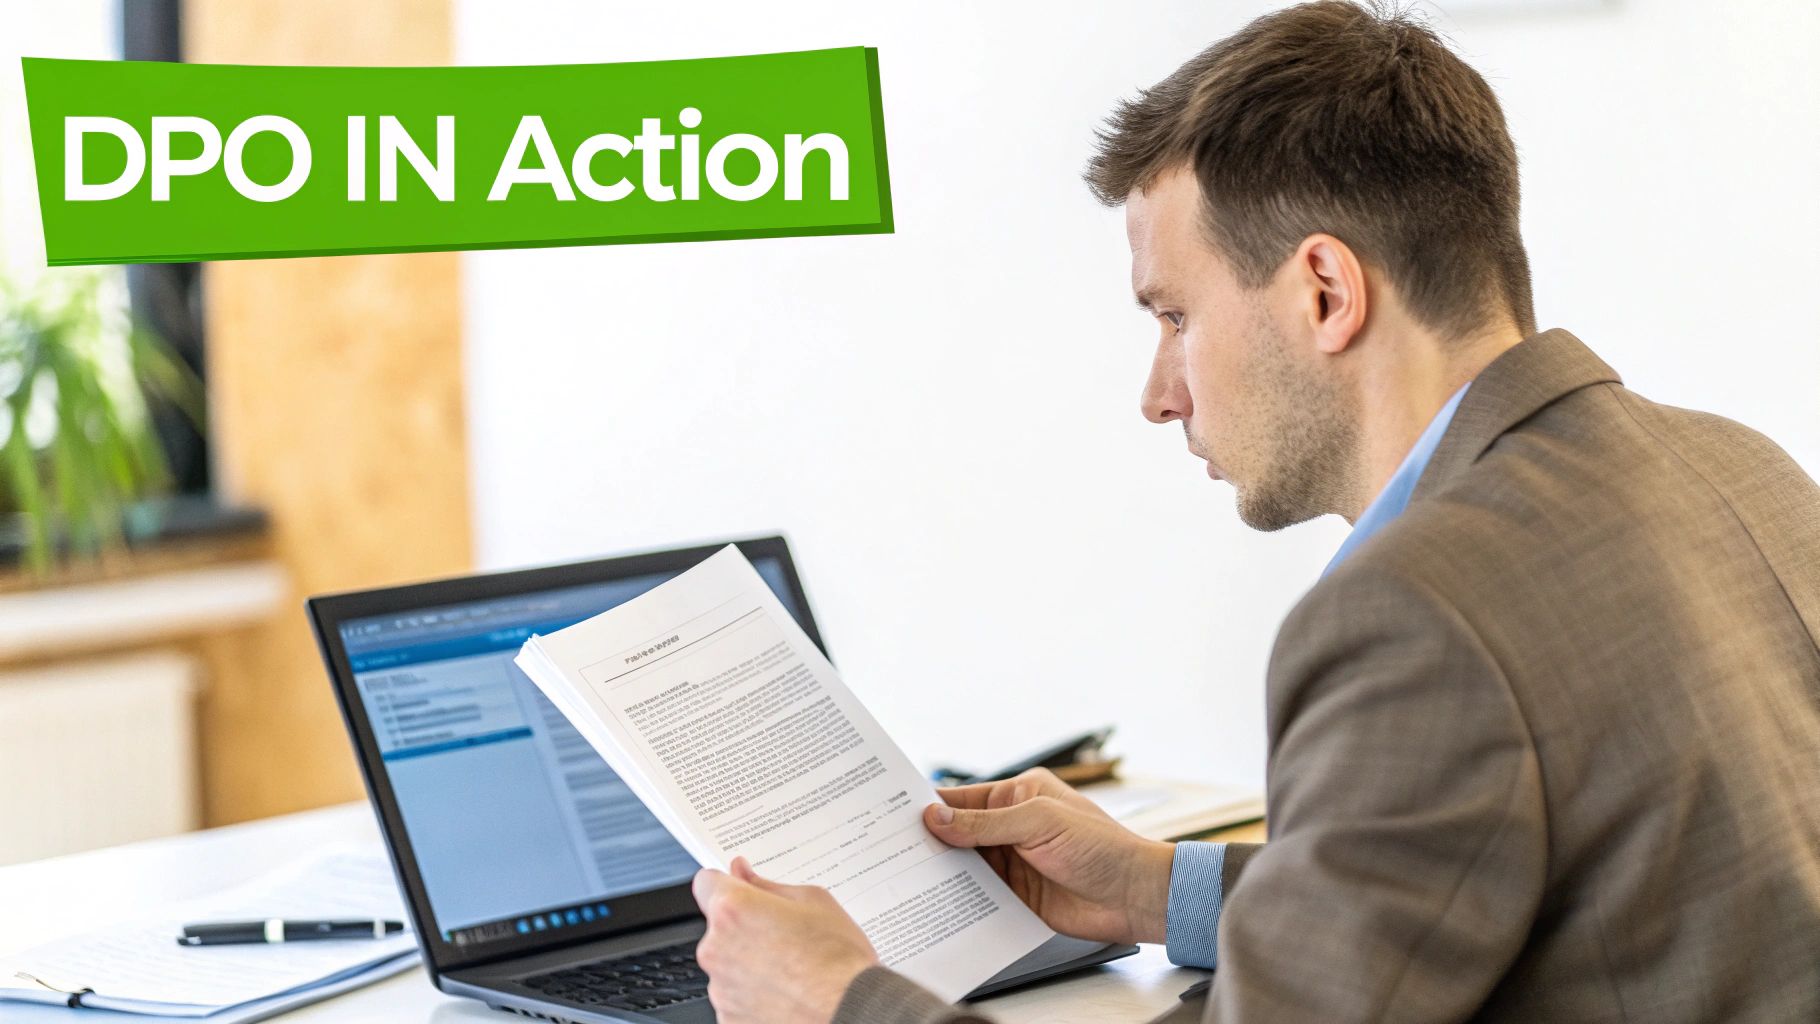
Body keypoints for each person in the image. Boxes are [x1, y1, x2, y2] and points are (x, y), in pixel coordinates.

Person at [688, 2, 1820, 1021]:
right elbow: (1487, 888)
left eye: (1173, 314)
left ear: (1323, 291)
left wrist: (835, 999)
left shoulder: (1415, 610)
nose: (1157, 393)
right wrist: (1148, 885)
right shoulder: (1737, 469)